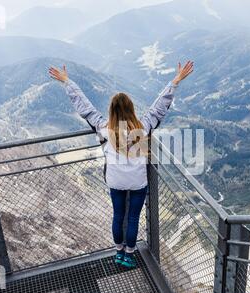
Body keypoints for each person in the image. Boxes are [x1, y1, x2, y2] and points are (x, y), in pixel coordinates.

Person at [49, 61, 194, 268]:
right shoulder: (142, 128)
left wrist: (67, 82)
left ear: (111, 111)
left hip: (115, 180)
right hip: (137, 181)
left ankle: (118, 252)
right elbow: (159, 107)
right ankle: (129, 254)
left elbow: (85, 108)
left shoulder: (103, 129)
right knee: (133, 217)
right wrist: (176, 81)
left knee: (118, 216)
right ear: (131, 109)